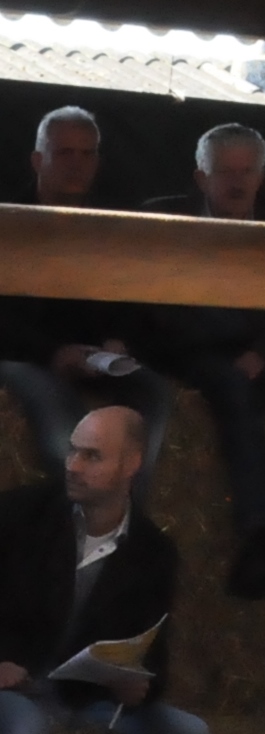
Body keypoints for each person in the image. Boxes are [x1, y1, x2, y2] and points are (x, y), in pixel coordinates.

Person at [0, 405, 214, 734]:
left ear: (131, 464)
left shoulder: (153, 552)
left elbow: (153, 654)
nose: (73, 466)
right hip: (15, 686)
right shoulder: (20, 516)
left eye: (92, 456)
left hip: (87, 697)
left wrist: (138, 685)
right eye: (72, 451)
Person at [140, 125, 265, 599]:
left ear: (262, 177)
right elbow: (151, 310)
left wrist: (262, 353)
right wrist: (219, 348)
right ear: (201, 177)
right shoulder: (163, 221)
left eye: (248, 172)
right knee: (231, 390)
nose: (237, 183)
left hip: (256, 349)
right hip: (187, 349)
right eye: (226, 172)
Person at [0, 107, 172, 485]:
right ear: (37, 160)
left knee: (151, 392)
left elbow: (131, 297)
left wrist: (116, 341)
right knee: (62, 416)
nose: (77, 164)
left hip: (93, 355)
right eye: (64, 153)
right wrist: (52, 353)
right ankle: (75, 526)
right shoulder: (9, 223)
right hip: (21, 355)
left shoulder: (111, 225)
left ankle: (122, 527)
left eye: (87, 153)